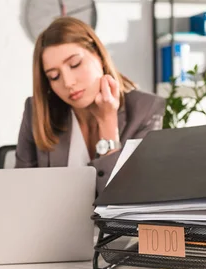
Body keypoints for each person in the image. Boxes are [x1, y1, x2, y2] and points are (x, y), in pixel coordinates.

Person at [15, 16, 166, 196]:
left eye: (75, 64)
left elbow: (128, 202)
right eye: (54, 76)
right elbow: (22, 193)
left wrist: (108, 122)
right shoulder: (37, 112)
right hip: (52, 224)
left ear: (99, 56)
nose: (68, 82)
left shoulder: (146, 110)